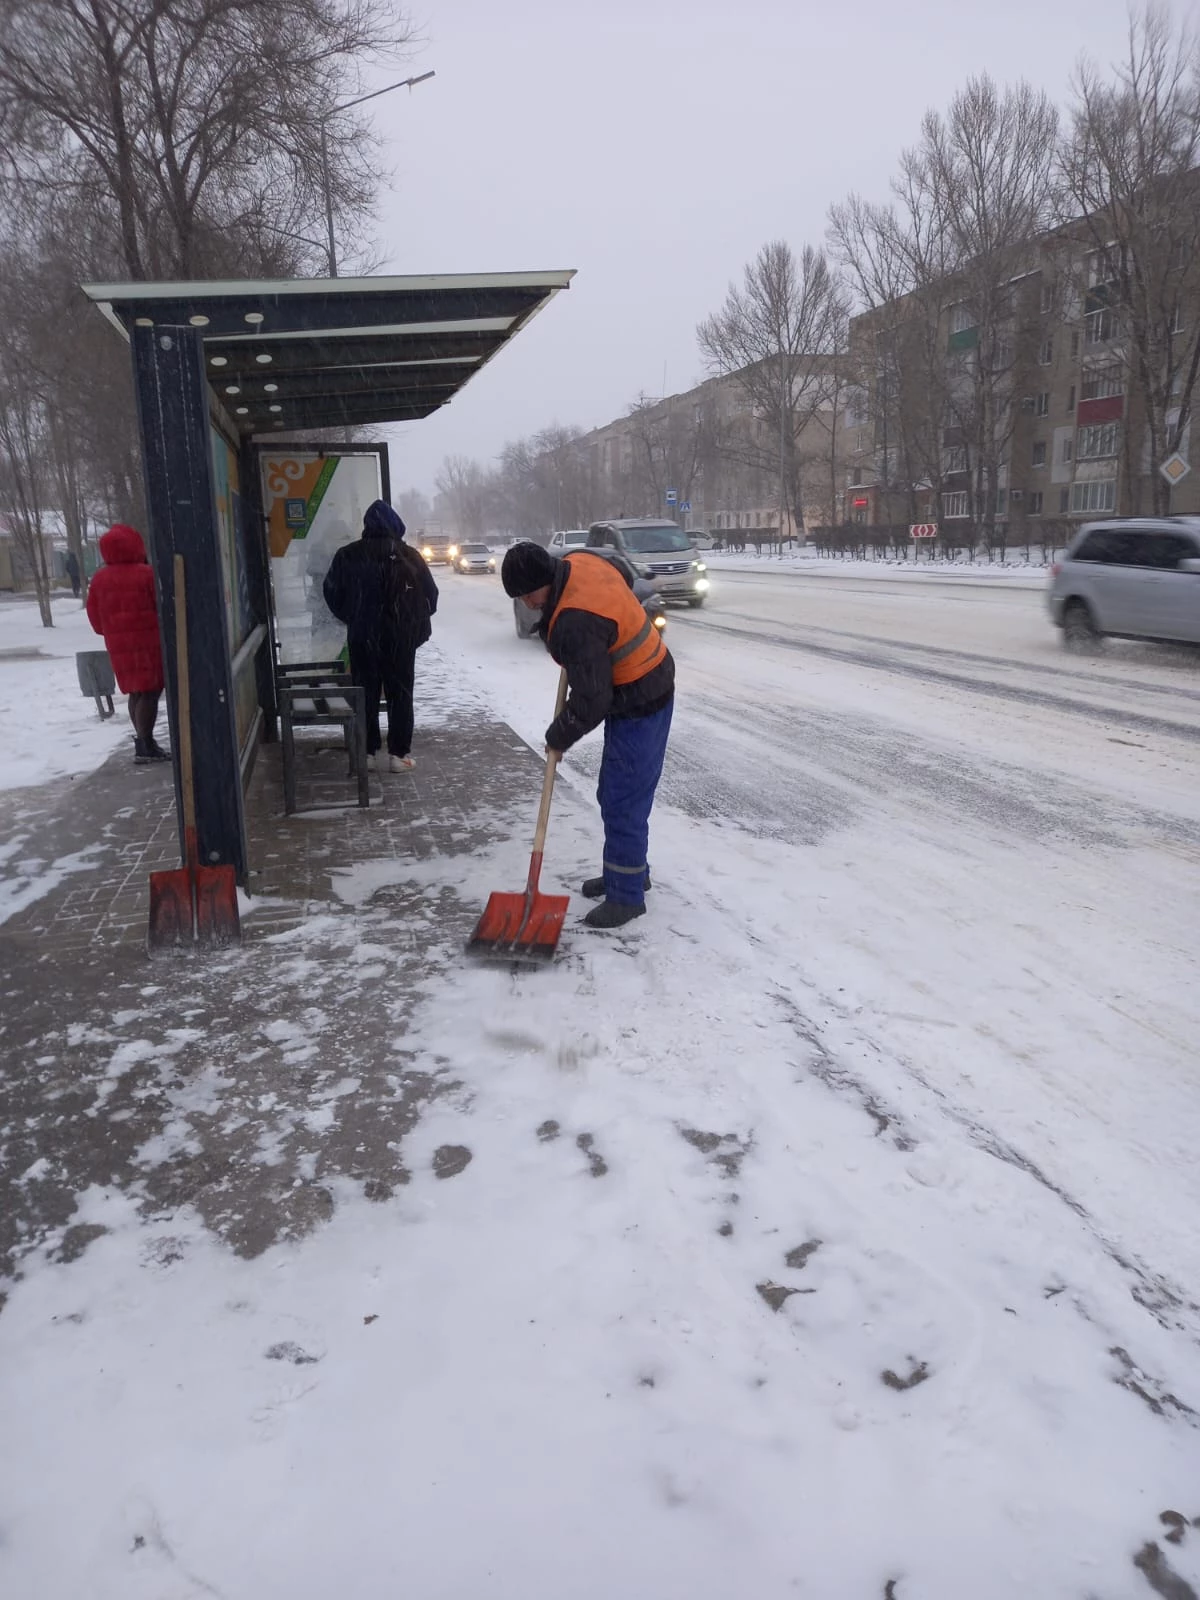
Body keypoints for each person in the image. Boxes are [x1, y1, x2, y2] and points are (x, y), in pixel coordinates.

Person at [501, 541, 675, 931]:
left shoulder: (574, 623)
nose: (528, 603)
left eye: (529, 594)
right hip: (639, 681)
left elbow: (593, 699)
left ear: (546, 579)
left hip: (643, 695)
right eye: (520, 597)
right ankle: (630, 871)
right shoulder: (581, 561)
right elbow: (623, 576)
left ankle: (627, 897)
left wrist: (558, 736)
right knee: (615, 792)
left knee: (622, 797)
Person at [322, 500, 437, 772]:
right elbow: (431, 597)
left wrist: (353, 617)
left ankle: (367, 753)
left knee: (364, 694)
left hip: (363, 639)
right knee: (401, 695)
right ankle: (399, 755)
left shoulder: (347, 555)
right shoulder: (409, 556)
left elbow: (331, 592)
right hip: (400, 641)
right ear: (396, 525)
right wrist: (410, 627)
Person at [85, 523, 168, 764]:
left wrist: (112, 631)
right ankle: (145, 745)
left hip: (119, 644)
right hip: (148, 642)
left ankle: (144, 742)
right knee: (150, 691)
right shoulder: (147, 574)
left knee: (135, 691)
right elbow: (160, 607)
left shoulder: (100, 579)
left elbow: (95, 616)